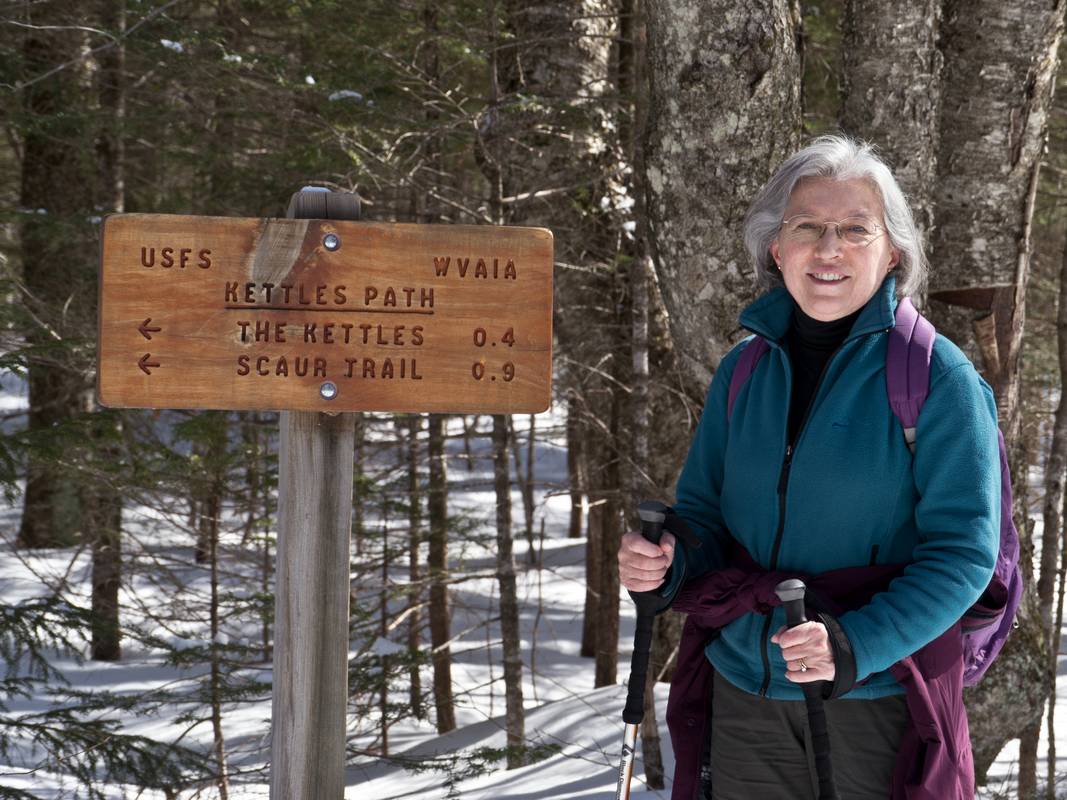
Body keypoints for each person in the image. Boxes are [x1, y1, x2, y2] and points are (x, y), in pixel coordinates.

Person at [617, 135, 1000, 800]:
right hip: (744, 691)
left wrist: (850, 646)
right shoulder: (744, 370)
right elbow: (703, 520)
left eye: (855, 229)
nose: (829, 250)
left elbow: (963, 555)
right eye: (807, 228)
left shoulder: (936, 377)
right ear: (775, 247)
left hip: (874, 698)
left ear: (892, 253)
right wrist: (666, 565)